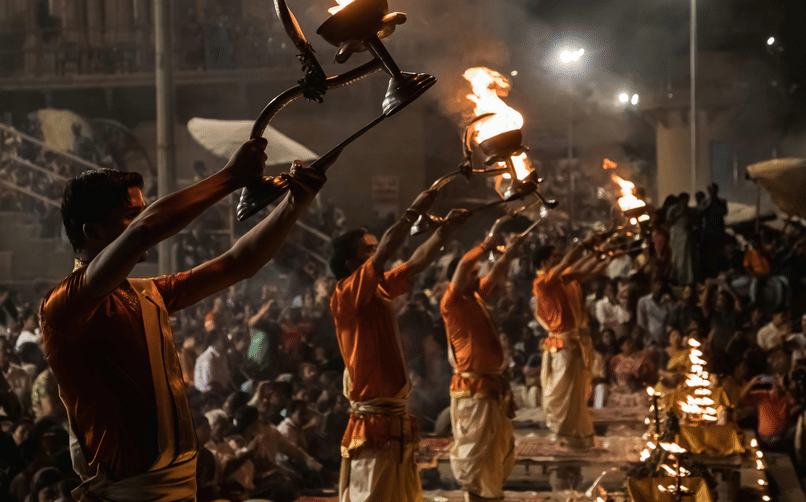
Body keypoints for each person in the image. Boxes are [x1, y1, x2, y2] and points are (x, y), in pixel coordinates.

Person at [40, 139, 328, 501]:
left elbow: (240, 262)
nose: (143, 221)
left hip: (180, 487)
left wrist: (294, 203)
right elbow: (146, 231)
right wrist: (228, 178)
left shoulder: (147, 293)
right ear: (92, 231)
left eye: (142, 212)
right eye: (130, 215)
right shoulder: (64, 305)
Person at [329, 188, 469, 502]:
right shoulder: (347, 293)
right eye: (369, 250)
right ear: (353, 263)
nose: (377, 252)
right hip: (374, 420)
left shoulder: (377, 286)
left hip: (392, 416)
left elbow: (417, 262)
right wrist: (415, 209)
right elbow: (390, 250)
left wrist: (445, 230)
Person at [440, 224, 522, 502]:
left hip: (490, 388)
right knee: (475, 451)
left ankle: (492, 496)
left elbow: (497, 272)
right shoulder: (452, 301)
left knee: (493, 449)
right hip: (472, 389)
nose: (478, 276)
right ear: (456, 280)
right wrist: (487, 243)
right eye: (474, 274)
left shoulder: (474, 295)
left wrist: (510, 252)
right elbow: (464, 263)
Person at [533, 240, 607, 448]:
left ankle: (575, 438)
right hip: (562, 344)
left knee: (576, 394)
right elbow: (570, 261)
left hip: (575, 342)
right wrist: (585, 245)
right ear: (546, 262)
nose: (561, 260)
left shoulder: (564, 279)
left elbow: (587, 270)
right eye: (556, 257)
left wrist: (603, 253)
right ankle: (564, 436)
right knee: (563, 393)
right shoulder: (542, 283)